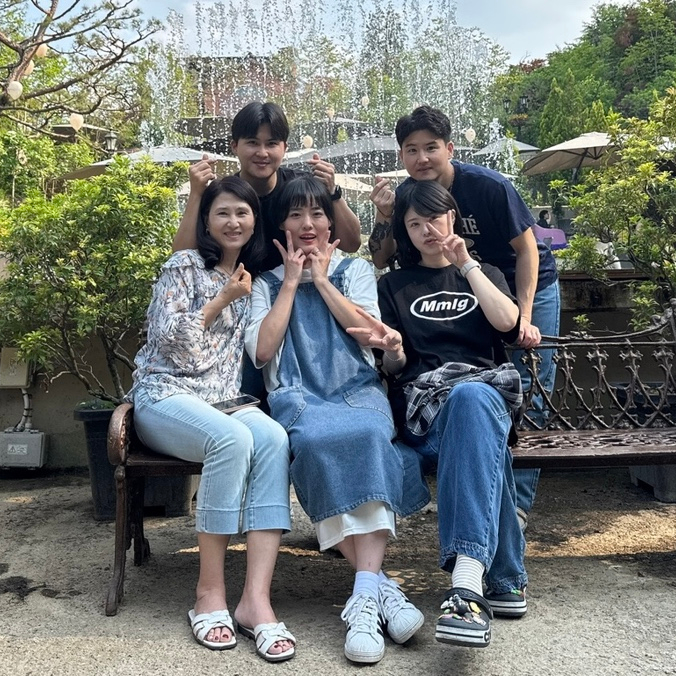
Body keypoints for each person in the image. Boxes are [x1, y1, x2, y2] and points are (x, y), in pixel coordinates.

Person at [245, 175, 430, 665]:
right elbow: (263, 350)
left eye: (317, 214)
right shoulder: (263, 283)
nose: (308, 225)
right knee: (317, 442)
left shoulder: (355, 271)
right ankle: (380, 589)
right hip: (299, 396)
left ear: (331, 223)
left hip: (357, 391)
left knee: (368, 433)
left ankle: (365, 595)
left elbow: (373, 335)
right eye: (295, 215)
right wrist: (291, 282)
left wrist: (323, 280)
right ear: (281, 226)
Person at [368, 105, 560, 534]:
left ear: (450, 148)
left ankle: (515, 506)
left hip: (520, 282)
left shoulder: (488, 186)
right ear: (401, 155)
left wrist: (525, 317)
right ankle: (490, 505)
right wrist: (383, 216)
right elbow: (381, 258)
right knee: (476, 396)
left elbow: (527, 251)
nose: (422, 158)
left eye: (431, 148)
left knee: (531, 389)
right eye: (411, 150)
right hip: (457, 285)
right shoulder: (408, 197)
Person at [126, 176, 296, 663]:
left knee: (273, 438)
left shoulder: (249, 276)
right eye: (223, 212)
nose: (233, 221)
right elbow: (171, 343)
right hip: (164, 395)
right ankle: (209, 593)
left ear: (254, 222)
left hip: (222, 400)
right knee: (231, 440)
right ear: (206, 220)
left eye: (243, 212)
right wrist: (222, 298)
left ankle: (255, 601)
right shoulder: (182, 266)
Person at [355, 180, 527, 649]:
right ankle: (503, 577)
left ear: (452, 216)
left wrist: (466, 265)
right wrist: (393, 351)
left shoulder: (485, 272)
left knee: (473, 399)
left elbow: (508, 324)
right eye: (415, 224)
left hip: (482, 401)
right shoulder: (393, 286)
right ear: (405, 233)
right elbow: (394, 368)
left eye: (434, 218)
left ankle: (467, 585)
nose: (427, 230)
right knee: (481, 433)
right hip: (425, 412)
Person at [173, 101, 362, 270]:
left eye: (271, 144)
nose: (262, 153)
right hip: (239, 291)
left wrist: (333, 192)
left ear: (284, 148)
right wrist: (196, 194)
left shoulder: (302, 188)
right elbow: (181, 259)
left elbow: (352, 244)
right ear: (234, 146)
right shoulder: (224, 194)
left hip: (299, 286)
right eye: (253, 143)